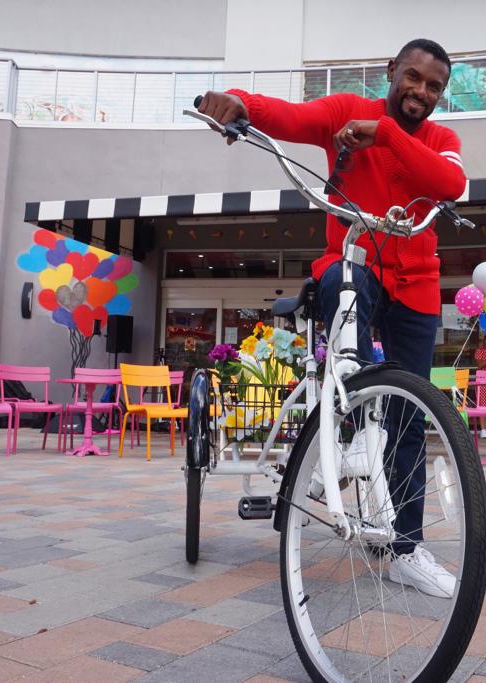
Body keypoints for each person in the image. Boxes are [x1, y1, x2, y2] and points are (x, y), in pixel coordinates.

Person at [196, 39, 464, 596]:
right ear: (391, 70)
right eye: (412, 77)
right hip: (352, 262)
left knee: (412, 417)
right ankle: (345, 433)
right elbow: (291, 116)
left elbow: (450, 185)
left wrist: (387, 134)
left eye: (433, 85)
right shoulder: (346, 111)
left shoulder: (441, 139)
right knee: (350, 281)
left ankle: (406, 549)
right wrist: (238, 102)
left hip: (417, 283)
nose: (421, 91)